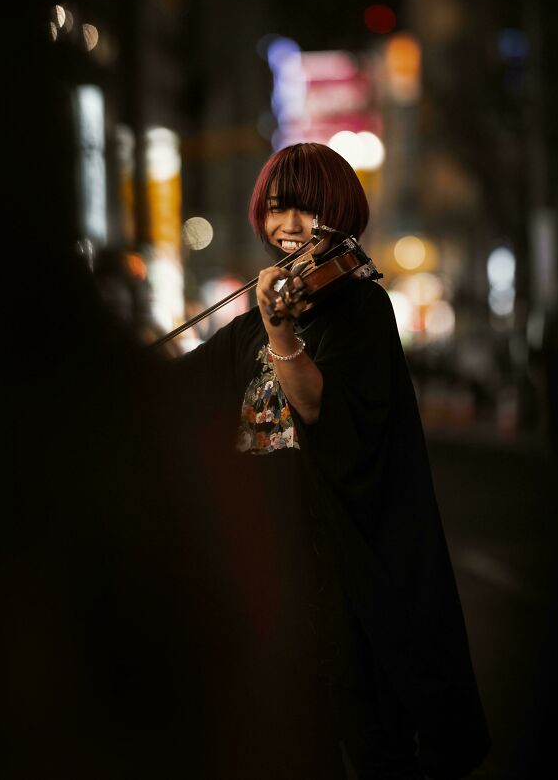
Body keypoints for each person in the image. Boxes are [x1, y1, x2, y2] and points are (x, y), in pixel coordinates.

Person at [171, 142, 490, 780]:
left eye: (307, 208)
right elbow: (178, 391)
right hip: (277, 568)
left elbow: (319, 410)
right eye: (278, 208)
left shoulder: (361, 310)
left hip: (347, 575)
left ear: (339, 211)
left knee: (375, 746)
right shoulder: (250, 326)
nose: (289, 224)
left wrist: (282, 330)